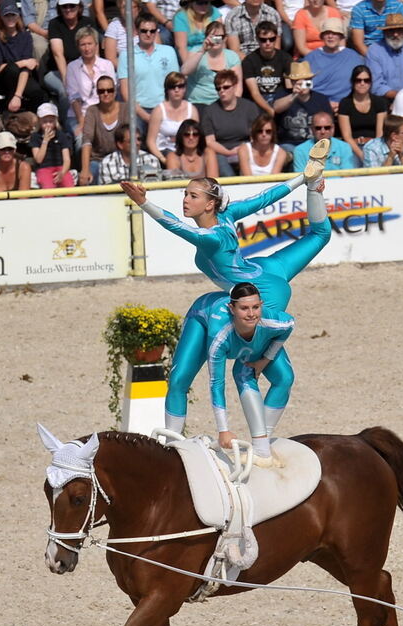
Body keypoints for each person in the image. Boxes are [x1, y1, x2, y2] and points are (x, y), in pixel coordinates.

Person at [120, 141, 331, 437]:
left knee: (244, 371)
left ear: (209, 203)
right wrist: (302, 179)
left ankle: (245, 440)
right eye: (185, 194)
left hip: (259, 294)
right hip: (270, 270)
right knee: (321, 234)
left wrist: (144, 204)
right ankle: (315, 183)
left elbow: (177, 227)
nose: (185, 200)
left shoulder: (212, 237)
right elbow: (265, 197)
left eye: (192, 195)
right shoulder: (228, 215)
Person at [206, 283, 295, 462]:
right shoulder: (219, 336)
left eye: (256, 307)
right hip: (207, 321)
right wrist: (223, 430)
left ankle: (261, 442)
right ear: (232, 308)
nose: (251, 314)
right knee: (242, 375)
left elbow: (289, 326)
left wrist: (265, 360)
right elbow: (216, 383)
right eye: (244, 308)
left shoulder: (273, 320)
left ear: (261, 304)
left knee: (285, 378)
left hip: (258, 349)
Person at [118, 11, 179, 135]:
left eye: (152, 31)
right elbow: (125, 91)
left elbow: (175, 84)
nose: (148, 34)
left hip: (164, 108)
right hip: (138, 110)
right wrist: (144, 115)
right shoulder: (126, 55)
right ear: (136, 31)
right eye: (144, 30)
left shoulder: (169, 51)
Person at [201, 69, 259, 176]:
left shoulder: (249, 107)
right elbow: (210, 141)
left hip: (246, 150)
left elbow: (255, 136)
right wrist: (229, 153)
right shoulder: (209, 111)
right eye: (218, 88)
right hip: (221, 153)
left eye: (226, 87)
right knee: (222, 166)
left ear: (235, 86)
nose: (222, 91)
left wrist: (242, 150)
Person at [44, 1, 93, 123]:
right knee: (66, 92)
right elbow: (58, 54)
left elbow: (93, 50)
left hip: (83, 68)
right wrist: (68, 81)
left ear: (79, 7)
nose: (68, 9)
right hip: (57, 71)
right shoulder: (54, 24)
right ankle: (67, 127)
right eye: (64, 6)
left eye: (72, 6)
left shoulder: (88, 22)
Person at [65, 26, 116, 144]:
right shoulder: (72, 67)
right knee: (81, 140)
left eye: (90, 43)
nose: (87, 48)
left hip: (103, 113)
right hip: (80, 115)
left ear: (96, 45)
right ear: (78, 47)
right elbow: (74, 98)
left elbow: (112, 93)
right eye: (83, 45)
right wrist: (82, 123)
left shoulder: (107, 65)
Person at [0, 1, 47, 114]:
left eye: (13, 14)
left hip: (22, 76)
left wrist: (17, 96)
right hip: (1, 79)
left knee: (37, 92)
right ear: (1, 17)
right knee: (12, 69)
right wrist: (24, 62)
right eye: (6, 15)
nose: (10, 18)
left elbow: (27, 68)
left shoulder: (25, 36)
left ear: (18, 15)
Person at [304, 18, 364, 110]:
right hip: (317, 104)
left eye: (335, 33)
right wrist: (323, 103)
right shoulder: (311, 57)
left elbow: (361, 82)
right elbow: (305, 85)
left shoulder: (353, 57)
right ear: (322, 36)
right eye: (327, 33)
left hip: (347, 104)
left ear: (341, 36)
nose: (330, 36)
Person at [273, 61, 333, 152]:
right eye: (297, 81)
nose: (303, 84)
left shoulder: (321, 99)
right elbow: (276, 108)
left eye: (306, 80)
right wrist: (294, 95)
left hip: (315, 143)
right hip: (289, 144)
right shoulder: (284, 95)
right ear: (292, 82)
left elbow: (329, 125)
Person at [80, 74, 129, 185]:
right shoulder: (92, 111)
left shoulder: (125, 109)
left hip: (122, 159)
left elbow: (129, 137)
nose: (106, 94)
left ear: (115, 91)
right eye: (102, 91)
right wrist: (85, 169)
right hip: (98, 160)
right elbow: (87, 140)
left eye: (109, 90)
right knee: (87, 180)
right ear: (97, 93)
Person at [181, 19, 242, 107]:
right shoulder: (195, 51)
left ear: (225, 38)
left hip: (222, 103)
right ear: (206, 37)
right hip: (197, 102)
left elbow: (237, 87)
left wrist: (231, 106)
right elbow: (184, 71)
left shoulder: (232, 57)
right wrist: (202, 51)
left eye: (219, 37)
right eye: (212, 37)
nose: (215, 40)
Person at [146, 71, 199, 170]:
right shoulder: (158, 110)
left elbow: (197, 136)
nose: (176, 90)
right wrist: (163, 159)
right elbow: (151, 141)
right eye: (172, 87)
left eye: (180, 86)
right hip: (163, 151)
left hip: (185, 151)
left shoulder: (192, 110)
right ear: (167, 90)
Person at [338, 64, 388, 164]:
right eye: (358, 80)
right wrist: (361, 155)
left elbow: (380, 134)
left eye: (366, 80)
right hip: (352, 147)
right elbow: (347, 136)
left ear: (370, 83)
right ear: (352, 82)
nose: (362, 83)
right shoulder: (345, 104)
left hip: (374, 146)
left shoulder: (380, 102)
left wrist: (372, 153)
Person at [242, 21, 291, 116]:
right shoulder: (249, 61)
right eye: (263, 40)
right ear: (257, 39)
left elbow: (289, 87)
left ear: (276, 38)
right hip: (258, 101)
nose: (268, 43)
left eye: (271, 39)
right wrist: (270, 110)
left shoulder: (285, 58)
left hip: (279, 99)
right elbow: (255, 93)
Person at [293, 110, 357, 170]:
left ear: (333, 128)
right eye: (318, 128)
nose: (323, 131)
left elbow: (348, 176)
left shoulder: (344, 147)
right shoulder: (300, 151)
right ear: (311, 129)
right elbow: (301, 179)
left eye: (327, 128)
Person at [30, 101, 74, 187]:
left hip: (61, 167)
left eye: (51, 121)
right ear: (39, 121)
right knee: (48, 189)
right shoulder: (36, 137)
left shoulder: (61, 135)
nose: (48, 125)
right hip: (44, 168)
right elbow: (38, 159)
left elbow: (67, 159)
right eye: (45, 122)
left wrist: (62, 172)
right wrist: (45, 141)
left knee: (70, 188)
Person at [174, 0, 221, 64]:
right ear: (191, 3)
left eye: (206, 2)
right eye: (200, 3)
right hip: (190, 55)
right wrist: (188, 66)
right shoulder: (181, 17)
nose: (204, 6)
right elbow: (182, 47)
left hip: (211, 53)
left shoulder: (214, 12)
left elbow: (218, 40)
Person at [104, 0, 141, 69]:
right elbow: (111, 59)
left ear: (138, 9)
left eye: (131, 7)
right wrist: (131, 70)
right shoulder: (114, 26)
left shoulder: (147, 25)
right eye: (124, 7)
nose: (128, 11)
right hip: (123, 71)